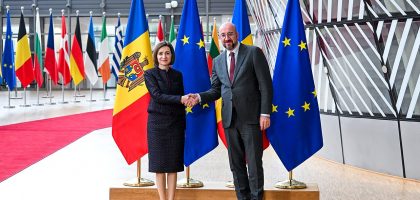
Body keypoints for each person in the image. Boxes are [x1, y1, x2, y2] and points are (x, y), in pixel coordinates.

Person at [186, 22, 273, 200]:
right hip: (229, 119)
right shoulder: (218, 61)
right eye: (223, 35)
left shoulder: (253, 53)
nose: (227, 38)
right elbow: (216, 90)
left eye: (230, 34)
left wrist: (265, 113)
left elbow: (266, 85)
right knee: (236, 164)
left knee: (254, 164)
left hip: (251, 119)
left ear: (237, 34)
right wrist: (199, 97)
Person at [144, 41, 189, 200]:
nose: (164, 56)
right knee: (159, 165)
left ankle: (171, 198)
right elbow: (157, 96)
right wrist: (181, 99)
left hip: (175, 124)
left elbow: (181, 100)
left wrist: (183, 122)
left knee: (173, 165)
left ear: (171, 55)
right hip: (157, 124)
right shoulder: (149, 74)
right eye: (161, 53)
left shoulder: (178, 75)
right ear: (156, 56)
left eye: (167, 53)